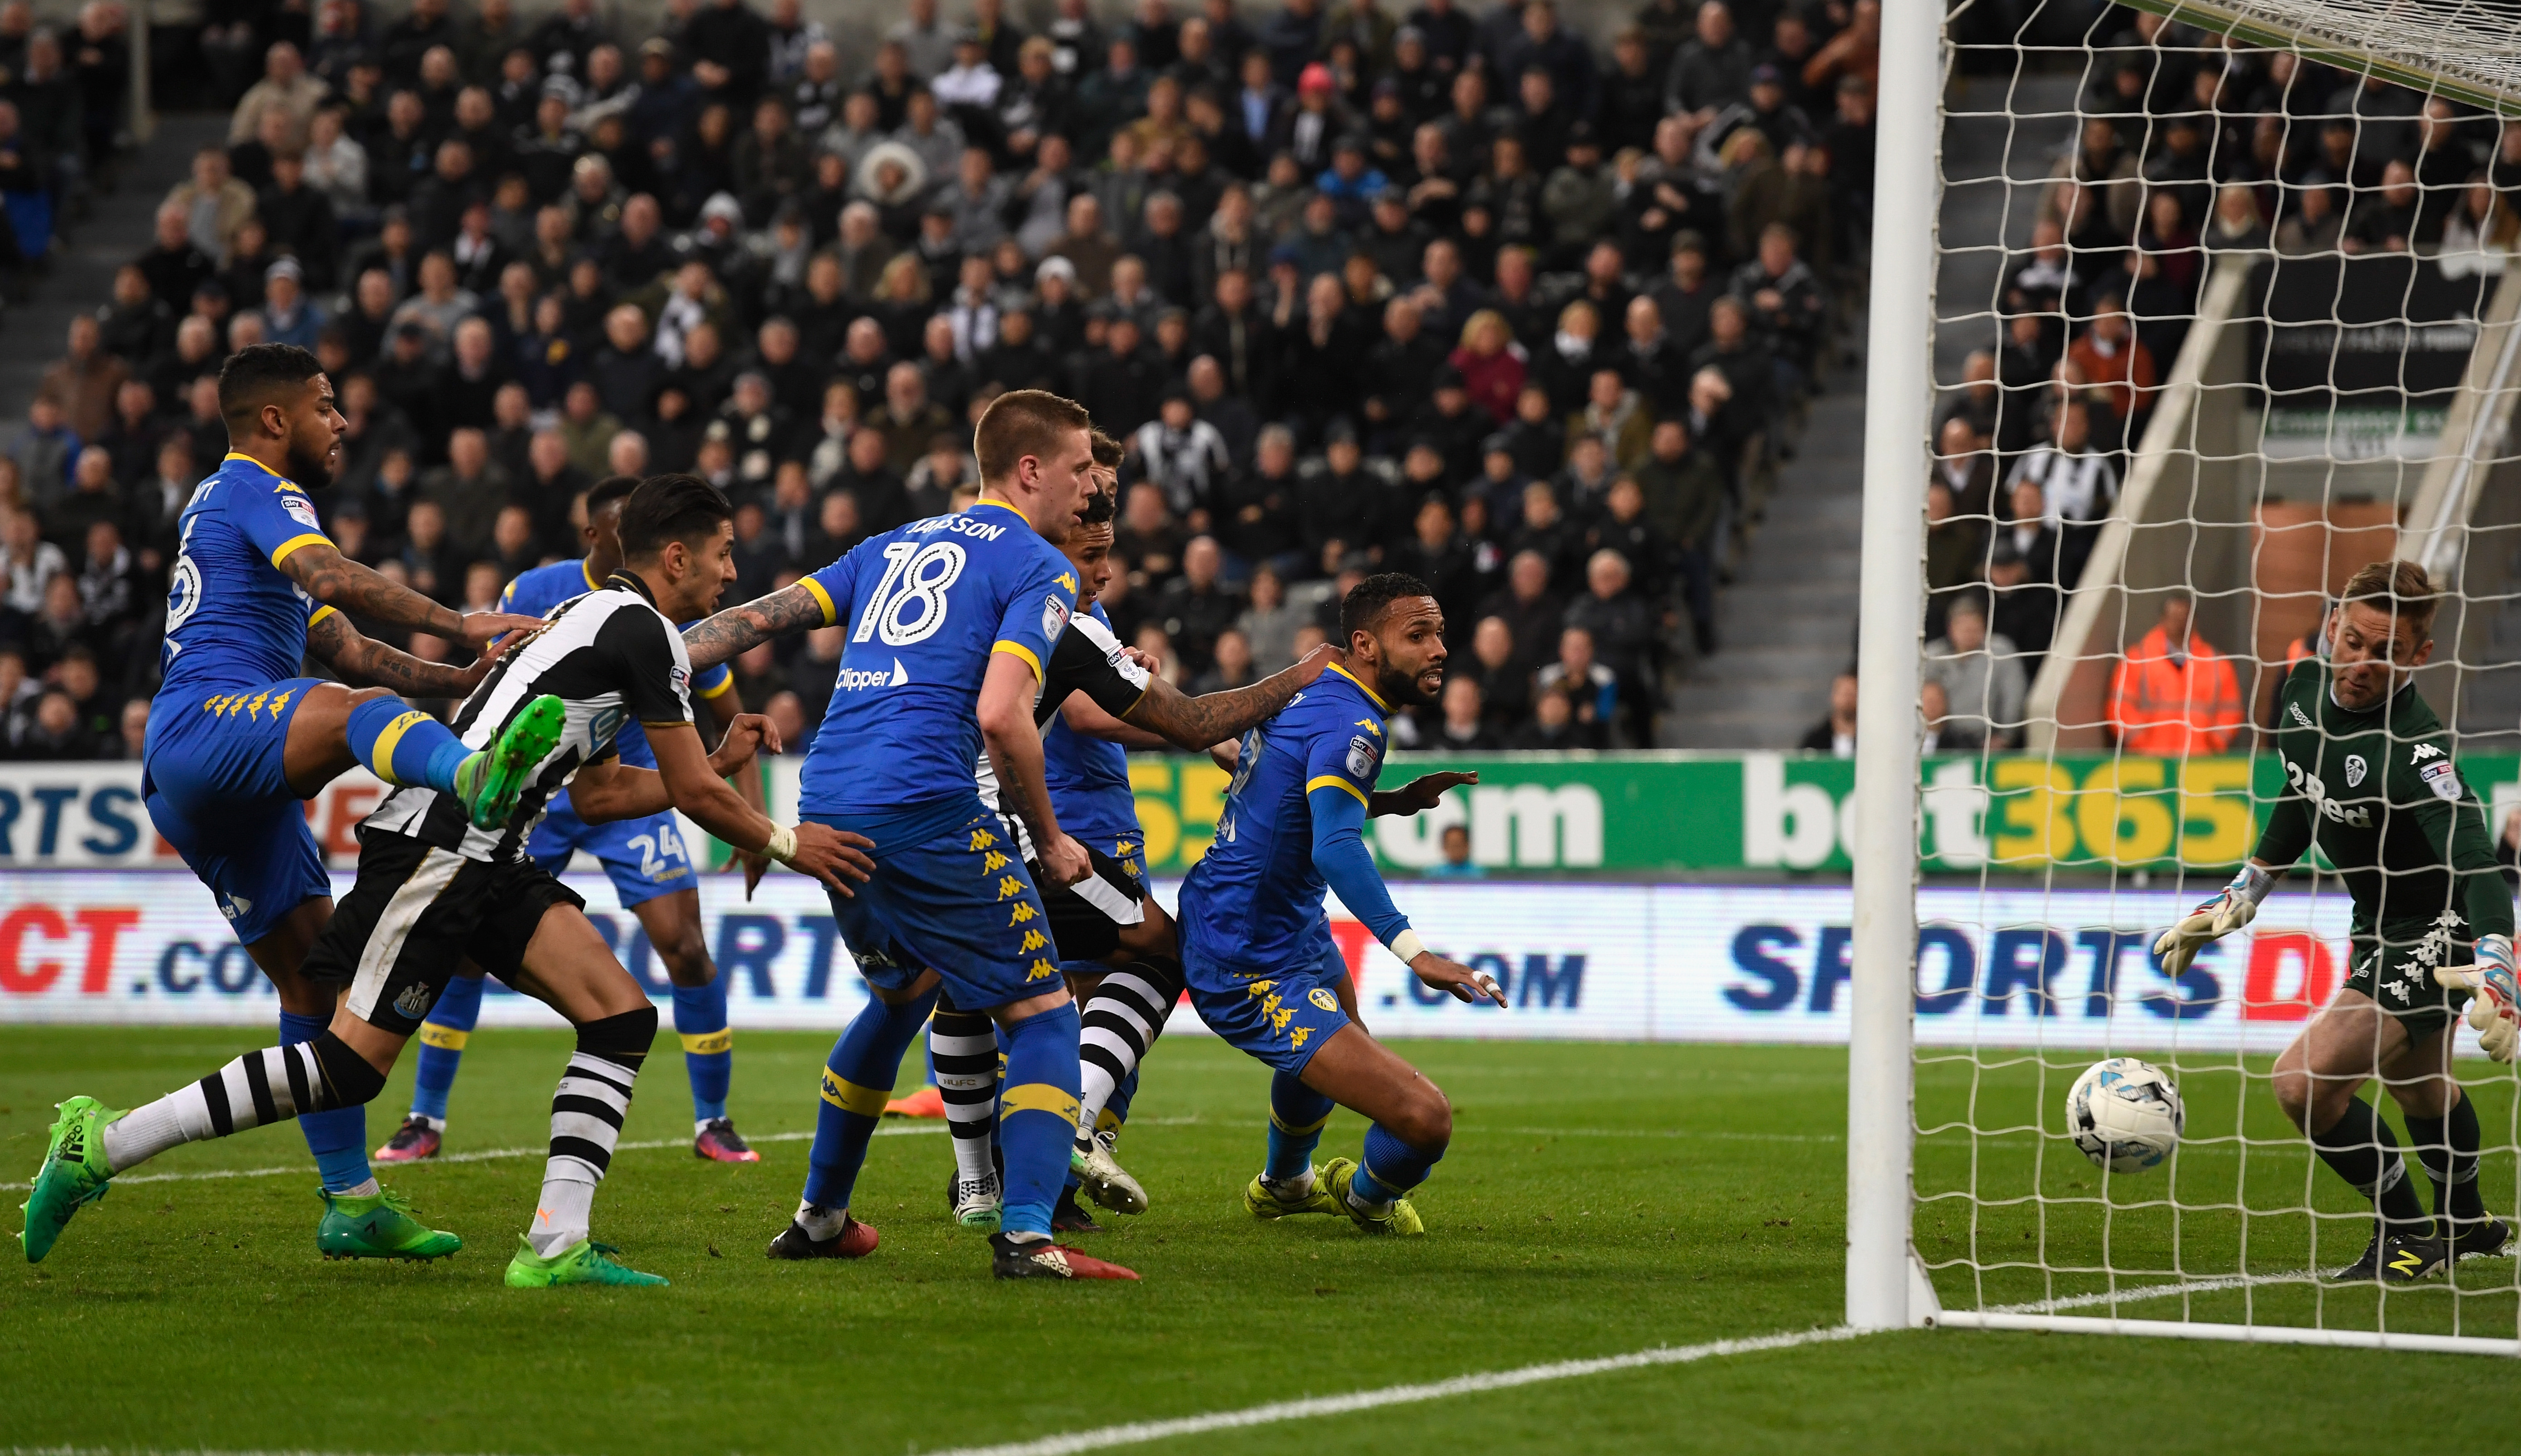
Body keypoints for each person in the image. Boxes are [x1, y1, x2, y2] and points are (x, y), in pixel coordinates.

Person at [23, 476, 874, 1284]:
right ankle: (104, 1143)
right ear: (676, 557)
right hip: (440, 844)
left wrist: (718, 768)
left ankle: (556, 1246)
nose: (733, 572)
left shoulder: (602, 620)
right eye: (723, 553)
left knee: (620, 1016)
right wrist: (788, 840)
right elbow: (685, 792)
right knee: (346, 1069)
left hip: (493, 851)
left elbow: (603, 792)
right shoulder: (639, 631)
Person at [678, 389, 1135, 1280]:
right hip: (925, 806)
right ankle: (1028, 1237)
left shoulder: (891, 545)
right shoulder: (1039, 567)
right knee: (1044, 1013)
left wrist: (633, 649)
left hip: (829, 803)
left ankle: (820, 1217)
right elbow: (1002, 717)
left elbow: (756, 620)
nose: (1092, 489)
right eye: (1081, 469)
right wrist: (1049, 838)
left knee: (899, 998)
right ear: (1030, 470)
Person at [105, 345, 542, 1263]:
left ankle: (351, 1202)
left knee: (312, 986)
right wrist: (462, 620)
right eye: (325, 405)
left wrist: (458, 675)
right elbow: (336, 582)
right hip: (206, 726)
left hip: (205, 783)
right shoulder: (259, 488)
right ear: (275, 420)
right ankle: (477, 782)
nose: (341, 422)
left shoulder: (234, 518)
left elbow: (344, 643)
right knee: (357, 715)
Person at [374, 475, 776, 1168]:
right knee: (464, 946)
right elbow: (495, 683)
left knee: (684, 946)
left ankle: (715, 1120)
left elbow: (729, 712)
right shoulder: (541, 593)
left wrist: (753, 818)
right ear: (598, 535)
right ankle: (424, 1117)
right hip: (542, 795)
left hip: (634, 785)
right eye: (617, 524)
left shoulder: (679, 614)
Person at [2156, 560, 2516, 1284]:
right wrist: (2245, 891)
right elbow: (2302, 792)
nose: (2362, 663)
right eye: (2353, 641)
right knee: (2419, 1088)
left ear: (2419, 656)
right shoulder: (2299, 691)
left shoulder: (2418, 751)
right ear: (2332, 627)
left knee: (2302, 1083)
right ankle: (2467, 1221)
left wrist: (2498, 957)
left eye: (2385, 651)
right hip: (2375, 921)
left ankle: (2407, 1235)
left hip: (2439, 925)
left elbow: (2474, 859)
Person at [1188, 572, 1508, 1237]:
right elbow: (1334, 847)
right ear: (1365, 646)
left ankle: (1284, 1184)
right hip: (1247, 954)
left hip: (1280, 924)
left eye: (1439, 633)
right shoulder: (1353, 723)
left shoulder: (1316, 691)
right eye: (1417, 636)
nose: (1439, 649)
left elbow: (1286, 788)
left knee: (1332, 1050)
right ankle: (1366, 1200)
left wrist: (1387, 800)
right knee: (1425, 1120)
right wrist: (1416, 954)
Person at [2105, 589, 2243, 757]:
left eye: (2185, 618)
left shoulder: (2217, 663)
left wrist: (2214, 743)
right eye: (2175, 617)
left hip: (2199, 759)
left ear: (2194, 621)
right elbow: (2120, 707)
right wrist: (2140, 744)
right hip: (2150, 759)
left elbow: (2231, 710)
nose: (2180, 623)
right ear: (2163, 619)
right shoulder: (2137, 659)